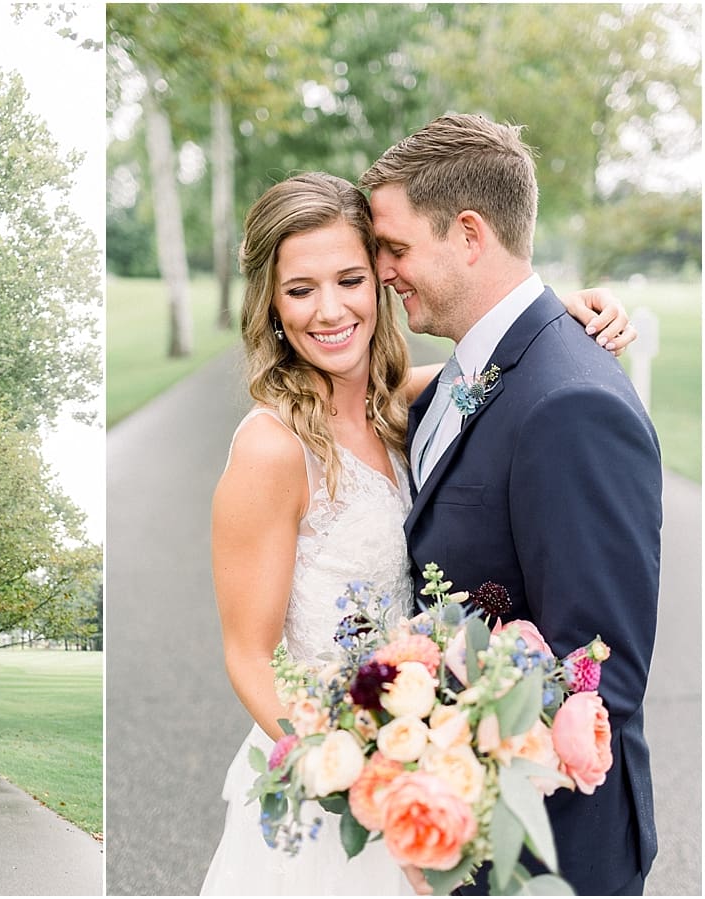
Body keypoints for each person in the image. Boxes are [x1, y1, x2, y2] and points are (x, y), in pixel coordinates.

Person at [202, 171, 635, 895]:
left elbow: (494, 362)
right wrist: (354, 778)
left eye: (349, 279)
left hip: (418, 761)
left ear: (381, 283)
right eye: (301, 289)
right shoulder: (271, 448)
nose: (330, 310)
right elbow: (249, 654)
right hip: (335, 785)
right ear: (271, 304)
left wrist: (558, 306)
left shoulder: (398, 404)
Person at [361, 113, 660, 896]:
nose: (383, 271)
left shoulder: (570, 402)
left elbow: (600, 674)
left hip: (543, 852)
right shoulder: (477, 365)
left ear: (468, 234)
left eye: (394, 248)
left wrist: (443, 762)